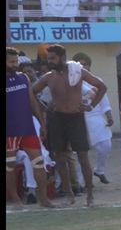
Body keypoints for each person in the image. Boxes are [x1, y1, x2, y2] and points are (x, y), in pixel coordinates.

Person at [31, 44, 107, 207]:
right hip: (57, 119)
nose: (50, 61)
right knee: (60, 157)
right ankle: (70, 194)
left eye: (53, 58)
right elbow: (31, 92)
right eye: (48, 58)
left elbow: (102, 87)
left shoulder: (77, 72)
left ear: (63, 58)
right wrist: (44, 107)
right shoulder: (48, 77)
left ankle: (90, 196)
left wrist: (91, 106)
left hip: (76, 118)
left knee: (83, 157)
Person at [5, 47, 54, 208]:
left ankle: (44, 199)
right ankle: (16, 200)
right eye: (11, 61)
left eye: (16, 61)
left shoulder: (23, 78)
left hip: (27, 128)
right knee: (9, 165)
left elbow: (33, 101)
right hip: (9, 131)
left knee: (39, 162)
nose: (15, 64)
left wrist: (42, 124)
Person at [74, 52, 114, 184]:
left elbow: (104, 100)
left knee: (105, 145)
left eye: (85, 64)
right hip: (79, 119)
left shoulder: (97, 81)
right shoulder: (71, 82)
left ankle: (99, 170)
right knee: (80, 153)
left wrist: (108, 115)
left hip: (96, 118)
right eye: (80, 65)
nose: (83, 67)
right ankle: (80, 182)